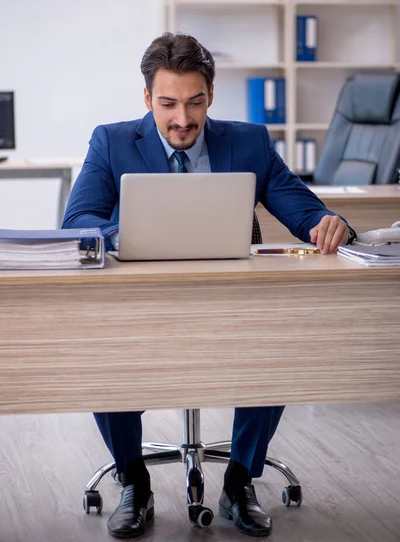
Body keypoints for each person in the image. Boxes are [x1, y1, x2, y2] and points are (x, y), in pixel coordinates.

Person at [62, 32, 355, 539]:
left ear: (211, 95)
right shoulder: (111, 141)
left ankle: (240, 481)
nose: (182, 119)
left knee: (277, 350)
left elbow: (301, 205)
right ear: (147, 98)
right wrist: (127, 233)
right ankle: (135, 480)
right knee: (101, 354)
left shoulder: (248, 141)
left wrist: (326, 222)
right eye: (169, 103)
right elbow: (78, 221)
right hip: (141, 306)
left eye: (195, 102)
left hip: (231, 305)